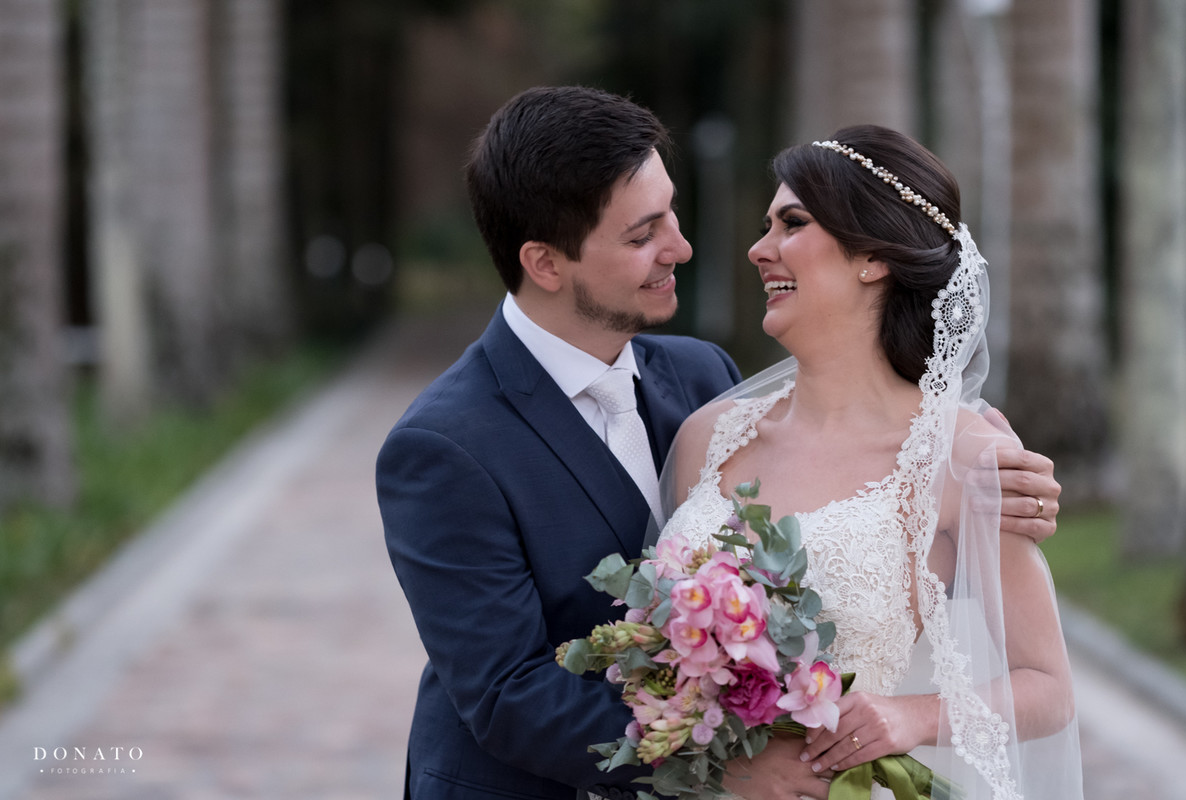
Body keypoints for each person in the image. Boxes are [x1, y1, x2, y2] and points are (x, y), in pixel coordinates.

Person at [377, 87, 1064, 800]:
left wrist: (996, 503)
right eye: (642, 235)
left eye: (670, 211)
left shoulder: (704, 380)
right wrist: (726, 767)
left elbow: (915, 565)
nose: (682, 246)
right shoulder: (442, 446)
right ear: (546, 264)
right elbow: (505, 694)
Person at [657, 125, 1082, 799]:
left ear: (874, 257)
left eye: (791, 223)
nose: (759, 248)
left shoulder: (963, 455)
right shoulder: (707, 438)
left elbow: (1049, 688)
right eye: (767, 225)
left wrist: (908, 716)